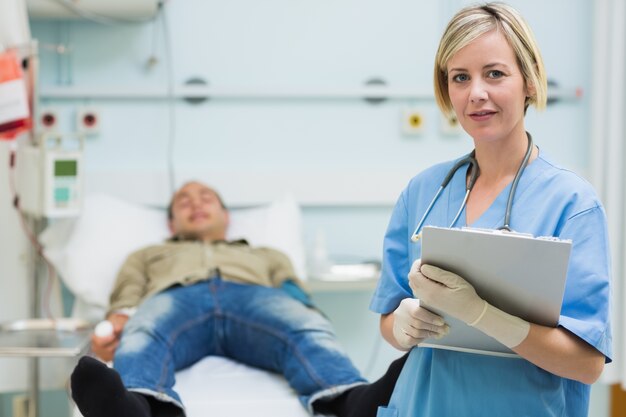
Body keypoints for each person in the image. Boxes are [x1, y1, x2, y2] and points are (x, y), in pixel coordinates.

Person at [369, 3, 612, 417]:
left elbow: (587, 365)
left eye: (494, 73)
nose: (475, 93)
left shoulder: (572, 204)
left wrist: (484, 315)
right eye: (460, 77)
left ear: (530, 81)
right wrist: (404, 326)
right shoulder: (424, 191)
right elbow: (388, 319)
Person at [70, 180, 407, 417]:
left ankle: (353, 401)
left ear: (225, 216)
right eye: (184, 202)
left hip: (254, 301)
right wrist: (116, 325)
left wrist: (308, 317)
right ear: (172, 222)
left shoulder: (268, 254)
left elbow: (294, 295)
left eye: (206, 198)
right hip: (176, 300)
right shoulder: (146, 255)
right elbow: (127, 299)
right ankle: (136, 406)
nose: (196, 204)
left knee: (303, 329)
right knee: (145, 331)